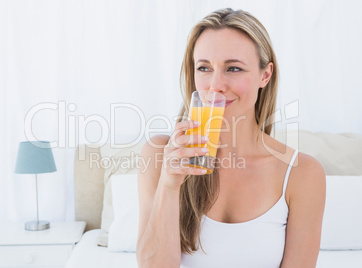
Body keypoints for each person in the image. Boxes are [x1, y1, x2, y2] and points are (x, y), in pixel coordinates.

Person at [136, 8, 325, 268]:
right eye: (204, 68)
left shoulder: (302, 173)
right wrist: (169, 185)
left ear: (265, 75)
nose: (216, 85)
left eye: (233, 68)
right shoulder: (160, 155)